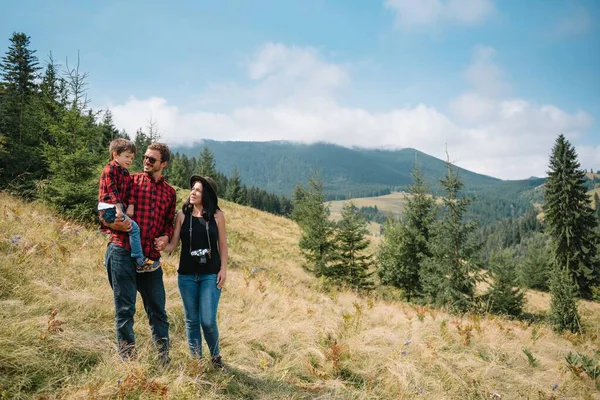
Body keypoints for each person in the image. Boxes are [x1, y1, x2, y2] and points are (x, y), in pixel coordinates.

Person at [100, 142, 176, 364]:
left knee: (158, 311)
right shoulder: (128, 180)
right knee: (125, 309)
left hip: (150, 259)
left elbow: (168, 225)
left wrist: (166, 237)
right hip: (121, 251)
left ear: (163, 164)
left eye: (151, 159)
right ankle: (128, 361)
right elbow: (105, 208)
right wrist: (114, 225)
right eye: (144, 157)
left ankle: (163, 358)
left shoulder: (169, 193)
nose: (145, 161)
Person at [165, 175, 228, 367]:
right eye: (192, 188)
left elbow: (223, 245)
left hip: (210, 274)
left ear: (206, 194)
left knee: (207, 320)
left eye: (198, 190)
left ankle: (215, 356)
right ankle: (196, 362)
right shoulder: (182, 215)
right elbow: (173, 245)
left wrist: (223, 269)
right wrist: (160, 244)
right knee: (191, 320)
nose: (193, 192)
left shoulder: (217, 216)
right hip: (186, 276)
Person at [98, 138, 159, 273]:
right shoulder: (110, 170)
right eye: (127, 157)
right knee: (134, 228)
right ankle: (139, 260)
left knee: (125, 228)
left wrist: (131, 205)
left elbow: (130, 190)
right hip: (109, 207)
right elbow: (112, 190)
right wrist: (119, 208)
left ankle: (110, 258)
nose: (130, 160)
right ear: (115, 154)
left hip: (119, 207)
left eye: (132, 158)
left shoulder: (125, 172)